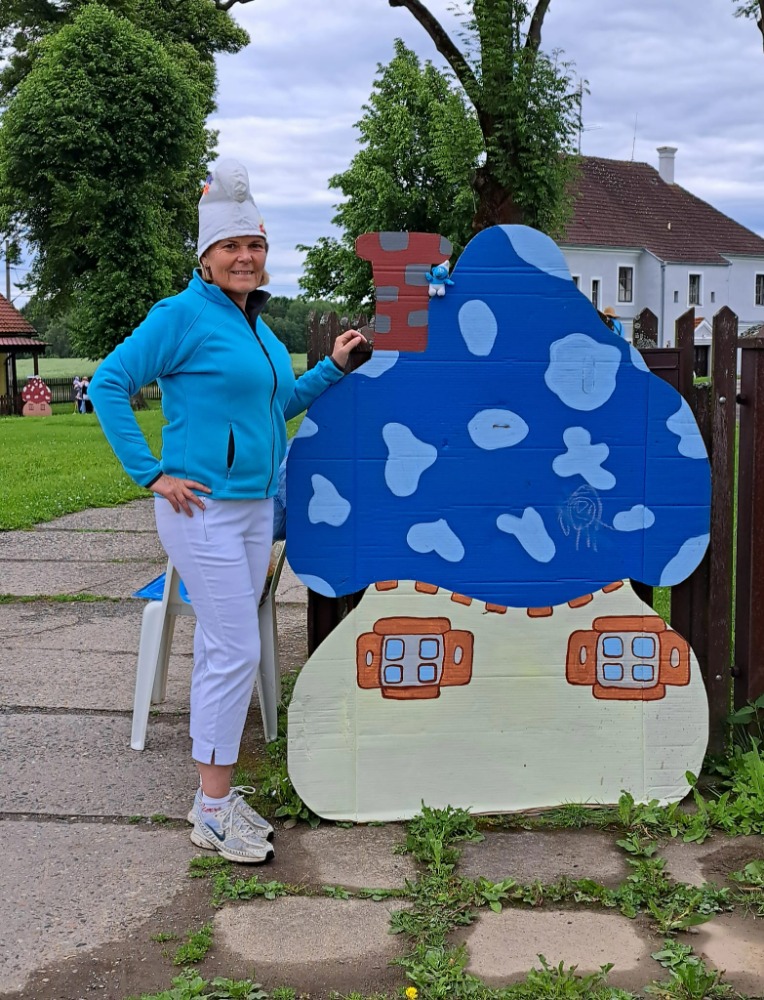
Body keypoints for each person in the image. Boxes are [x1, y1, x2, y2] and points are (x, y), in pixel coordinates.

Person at [89, 160, 364, 864]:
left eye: (255, 245)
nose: (246, 257)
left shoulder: (258, 329)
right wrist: (151, 474)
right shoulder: (181, 315)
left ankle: (215, 797)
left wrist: (331, 368)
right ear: (207, 256)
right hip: (202, 511)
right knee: (238, 647)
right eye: (231, 246)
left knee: (223, 646)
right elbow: (111, 381)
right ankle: (211, 810)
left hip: (250, 510)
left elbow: (276, 405)